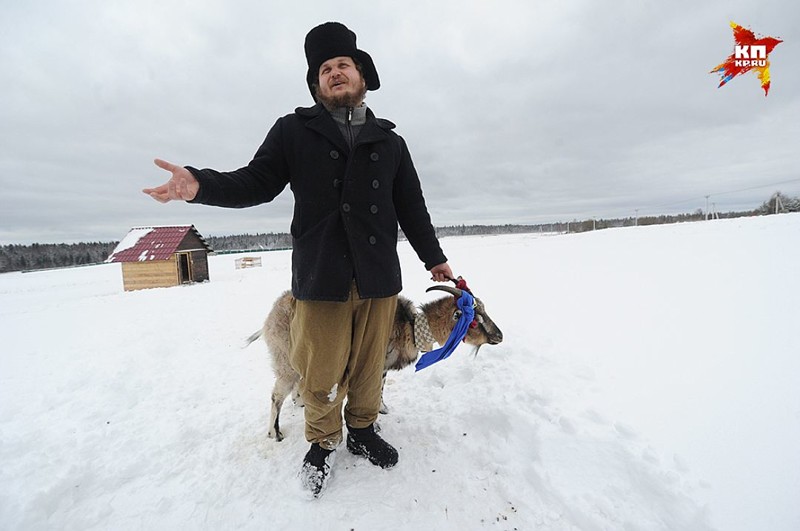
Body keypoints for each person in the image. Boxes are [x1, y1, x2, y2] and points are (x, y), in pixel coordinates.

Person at [143, 21, 454, 496]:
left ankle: (364, 430)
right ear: (317, 84)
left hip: (378, 280)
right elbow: (255, 182)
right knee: (321, 369)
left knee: (371, 366)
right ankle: (324, 440)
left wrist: (435, 259)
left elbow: (411, 207)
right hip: (321, 276)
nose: (334, 73)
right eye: (325, 69)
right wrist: (201, 185)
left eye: (342, 65)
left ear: (361, 75)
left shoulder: (391, 142)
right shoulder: (293, 131)